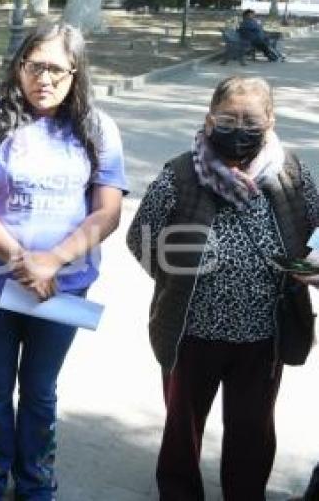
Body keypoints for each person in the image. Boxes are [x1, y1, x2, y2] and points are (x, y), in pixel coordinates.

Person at [0, 23, 127, 500]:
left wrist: (52, 261)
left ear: (75, 73)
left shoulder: (96, 127)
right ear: (19, 67)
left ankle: (35, 480)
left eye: (55, 69)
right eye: (34, 66)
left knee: (40, 390)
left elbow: (108, 210)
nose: (43, 79)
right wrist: (20, 259)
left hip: (63, 291)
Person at [126, 75, 318, 500]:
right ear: (209, 119)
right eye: (228, 117)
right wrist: (176, 279)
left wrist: (314, 263)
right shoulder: (181, 172)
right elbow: (140, 235)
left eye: (250, 118)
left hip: (262, 333)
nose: (239, 128)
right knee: (183, 428)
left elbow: (318, 228)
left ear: (270, 119)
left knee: (253, 429)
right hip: (191, 329)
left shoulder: (291, 172)